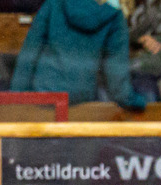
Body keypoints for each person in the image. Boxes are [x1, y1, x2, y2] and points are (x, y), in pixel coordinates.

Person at [10, 0, 146, 110]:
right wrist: (135, 101)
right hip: (83, 102)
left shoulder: (53, 4)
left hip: (44, 97)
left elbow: (29, 53)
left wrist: (17, 98)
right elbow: (115, 74)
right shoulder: (114, 16)